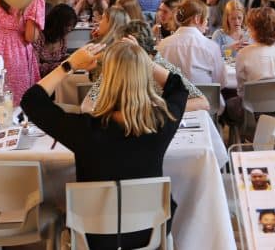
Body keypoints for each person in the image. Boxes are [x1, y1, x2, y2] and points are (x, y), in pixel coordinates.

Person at [21, 41, 186, 250]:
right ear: (144, 76)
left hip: (94, 237)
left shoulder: (85, 130)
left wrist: (70, 65)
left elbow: (31, 100)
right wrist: (142, 60)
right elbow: (178, 86)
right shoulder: (162, 122)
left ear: (106, 80)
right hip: (148, 233)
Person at [227, 8, 275, 121]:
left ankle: (238, 132)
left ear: (254, 30)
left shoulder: (244, 54)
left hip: (253, 115)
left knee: (228, 104)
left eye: (250, 27)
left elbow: (241, 90)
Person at [156, 0, 225, 86]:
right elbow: (221, 83)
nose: (207, 23)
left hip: (171, 94)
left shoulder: (163, 45)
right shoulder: (211, 47)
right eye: (206, 19)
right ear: (197, 19)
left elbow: (157, 81)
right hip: (203, 94)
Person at [35, 3, 75, 76]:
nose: (70, 29)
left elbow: (61, 58)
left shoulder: (62, 39)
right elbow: (35, 67)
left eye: (72, 26)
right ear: (57, 23)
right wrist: (60, 66)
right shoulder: (38, 37)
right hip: (39, 79)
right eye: (68, 25)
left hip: (56, 77)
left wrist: (70, 58)